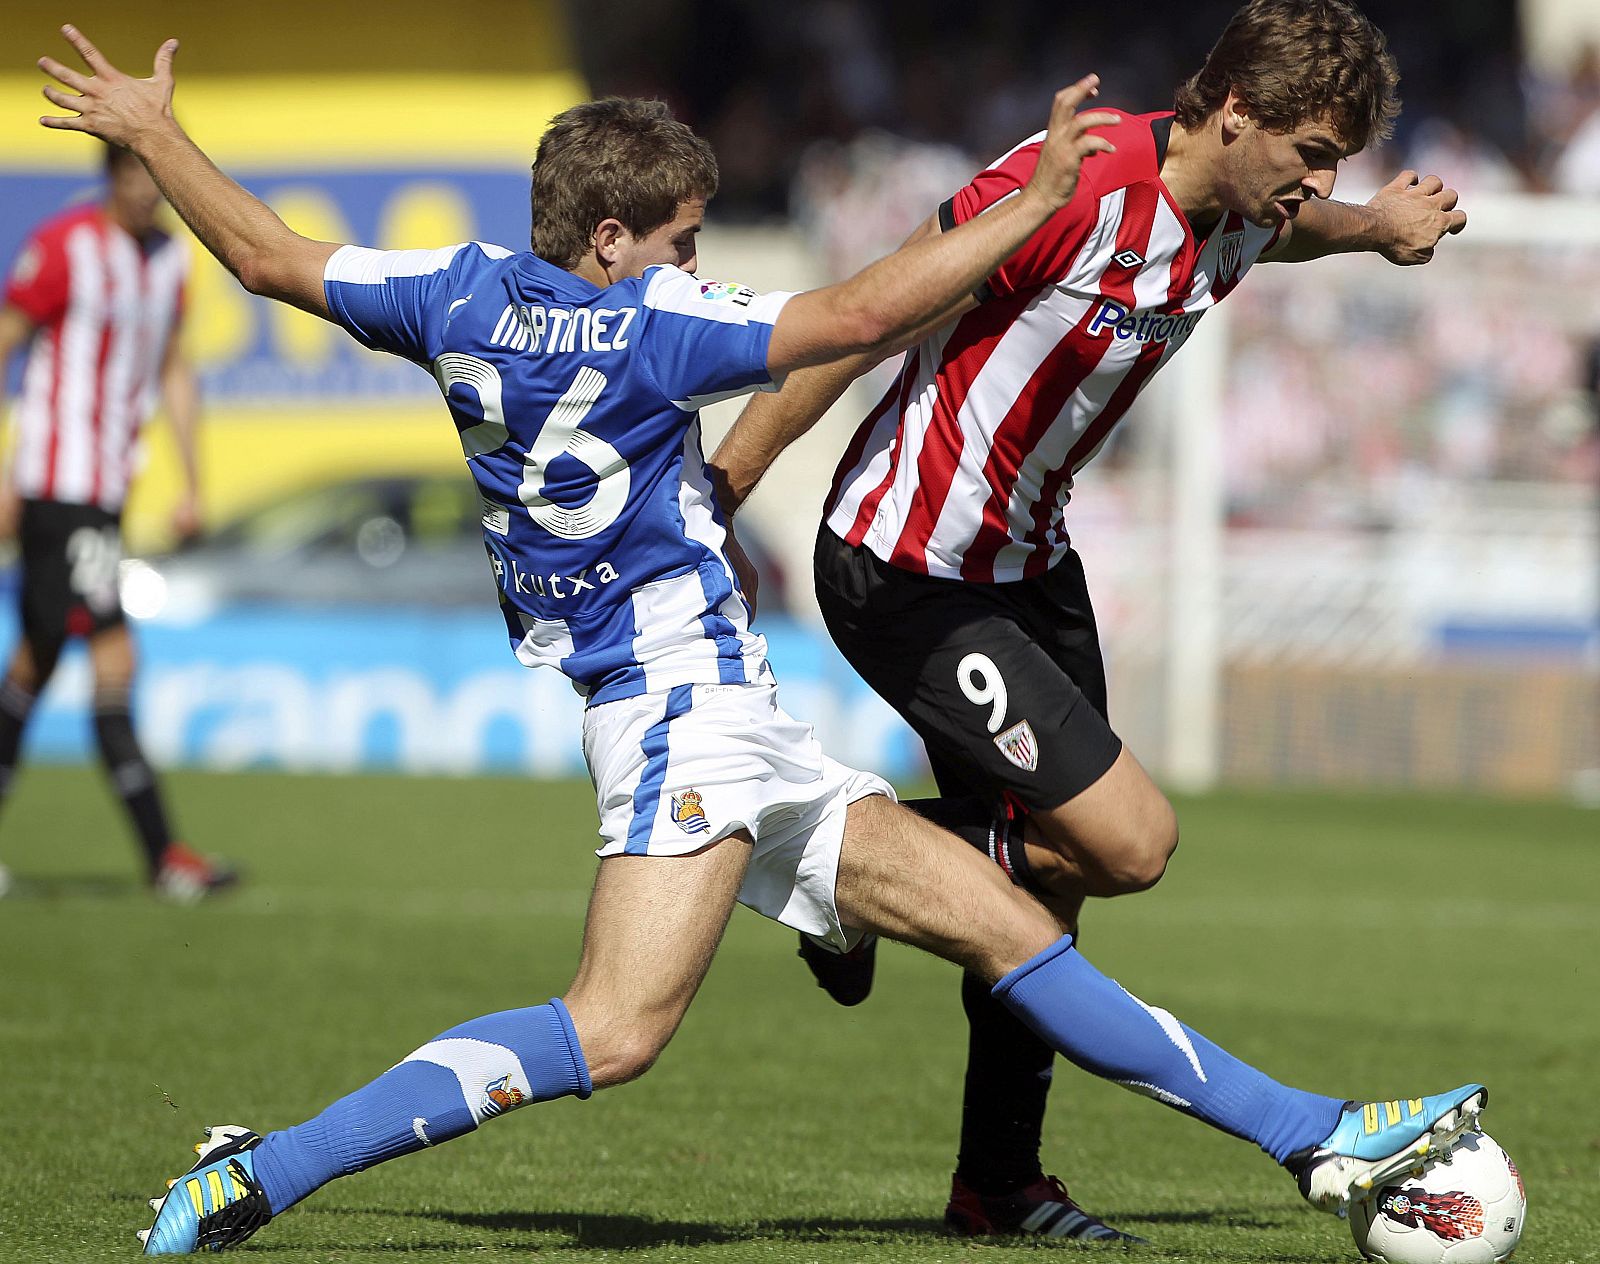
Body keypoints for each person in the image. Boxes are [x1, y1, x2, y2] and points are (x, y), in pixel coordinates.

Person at [35, 25, 1485, 1258]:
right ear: (616, 245)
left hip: (707, 708)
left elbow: (269, 257)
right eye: (679, 238)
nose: (693, 258)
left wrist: (159, 135)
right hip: (686, 715)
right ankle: (269, 1165)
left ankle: (1323, 1144)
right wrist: (1026, 199)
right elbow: (858, 312)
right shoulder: (651, 329)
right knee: (611, 1031)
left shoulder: (451, 298)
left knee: (1012, 931)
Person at [710, 0, 1468, 1240]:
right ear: (1235, 114)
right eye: (1312, 155)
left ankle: (993, 1178)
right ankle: (834, 868)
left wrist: (1371, 230)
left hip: (1030, 571)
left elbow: (1288, 234)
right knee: (1125, 843)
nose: (1320, 183)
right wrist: (724, 496)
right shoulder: (1079, 181)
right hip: (908, 566)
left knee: (1055, 884)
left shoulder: (1241, 206)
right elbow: (857, 321)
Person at [0, 141, 234, 901]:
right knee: (112, 657)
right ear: (111, 178)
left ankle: (166, 859)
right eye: (136, 177)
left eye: (156, 179)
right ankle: (166, 857)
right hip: (53, 487)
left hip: (104, 493)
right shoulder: (67, 246)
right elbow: (10, 336)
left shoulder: (169, 260)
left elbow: (172, 366)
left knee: (33, 665)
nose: (149, 193)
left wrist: (194, 479)